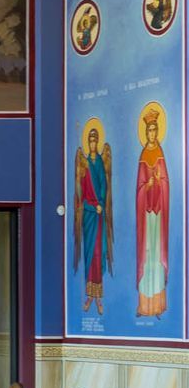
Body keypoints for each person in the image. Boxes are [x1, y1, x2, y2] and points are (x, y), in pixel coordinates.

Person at [74, 123, 113, 316]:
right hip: (89, 216)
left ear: (97, 143)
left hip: (98, 216)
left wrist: (101, 204)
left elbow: (104, 187)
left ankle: (98, 297)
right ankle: (89, 295)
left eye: (94, 141)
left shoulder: (98, 162)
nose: (92, 144)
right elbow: (81, 195)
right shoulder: (84, 165)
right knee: (89, 255)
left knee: (98, 254)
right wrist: (91, 207)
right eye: (90, 141)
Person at [136, 107, 170, 318]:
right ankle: (144, 305)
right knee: (146, 254)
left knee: (156, 255)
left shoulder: (160, 154)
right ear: (146, 132)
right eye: (149, 130)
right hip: (146, 214)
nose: (152, 133)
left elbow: (166, 183)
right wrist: (147, 185)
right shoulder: (143, 155)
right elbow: (138, 188)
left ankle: (157, 305)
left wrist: (159, 182)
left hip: (158, 212)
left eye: (154, 129)